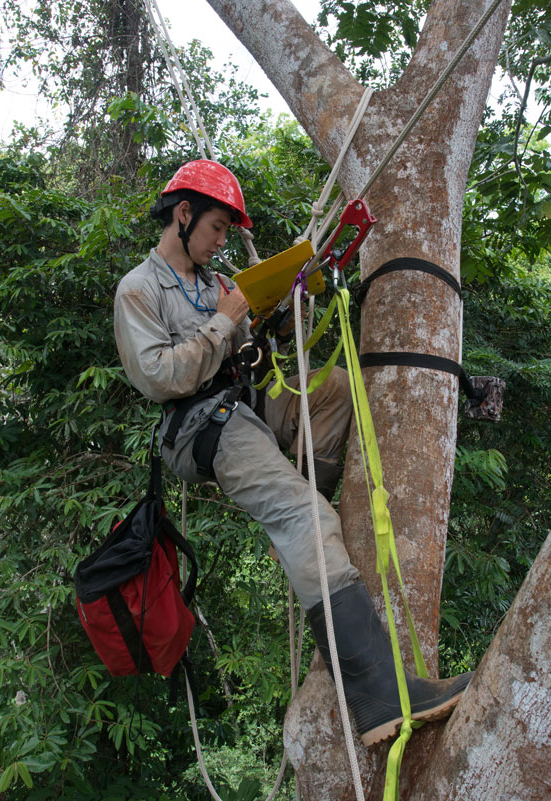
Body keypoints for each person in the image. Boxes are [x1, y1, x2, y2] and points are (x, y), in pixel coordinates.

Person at [112, 159, 470, 746]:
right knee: (307, 515)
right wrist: (223, 325)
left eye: (226, 230)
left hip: (247, 396)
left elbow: (251, 344)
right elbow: (158, 378)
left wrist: (277, 316)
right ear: (183, 216)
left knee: (335, 393)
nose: (222, 240)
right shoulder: (140, 289)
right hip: (203, 421)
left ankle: (302, 522)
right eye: (217, 228)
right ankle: (377, 694)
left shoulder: (216, 283)